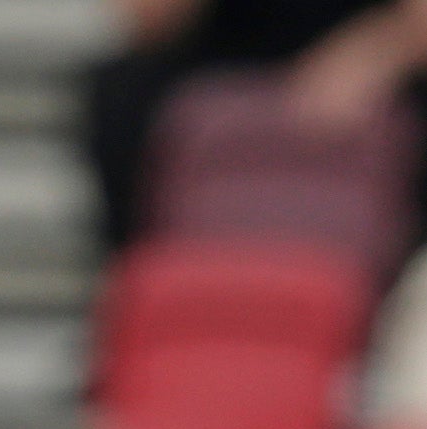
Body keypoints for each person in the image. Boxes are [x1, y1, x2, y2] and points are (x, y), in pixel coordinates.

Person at [84, 0, 427, 249]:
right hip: (227, 53)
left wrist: (377, 52)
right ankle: (147, 282)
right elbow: (149, 23)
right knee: (120, 91)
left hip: (371, 45)